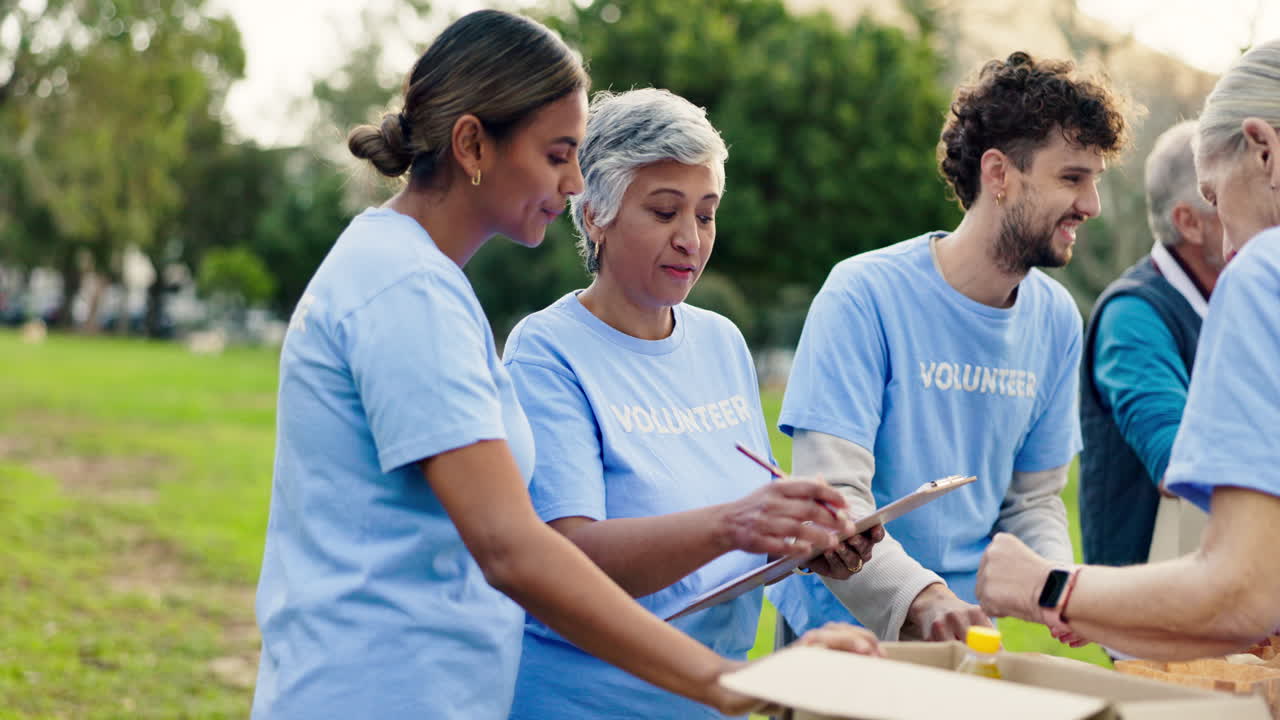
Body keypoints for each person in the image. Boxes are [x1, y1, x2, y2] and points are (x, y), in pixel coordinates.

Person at [249, 12, 877, 720]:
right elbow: (514, 549)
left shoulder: (415, 276)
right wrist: (728, 681)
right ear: (472, 144)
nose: (576, 182)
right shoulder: (407, 290)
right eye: (557, 155)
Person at [503, 88, 883, 720]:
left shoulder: (720, 342)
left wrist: (806, 542)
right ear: (595, 215)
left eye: (706, 216)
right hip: (590, 703)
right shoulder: (546, 353)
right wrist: (734, 523)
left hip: (717, 697)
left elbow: (746, 526)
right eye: (664, 212)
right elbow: (569, 560)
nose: (690, 239)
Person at [767, 51, 1131, 643]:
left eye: (1095, 180)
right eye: (1072, 178)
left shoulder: (1058, 319)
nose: (1091, 205)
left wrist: (1056, 586)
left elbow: (1032, 501)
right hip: (840, 635)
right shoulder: (863, 293)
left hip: (963, 635)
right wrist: (925, 599)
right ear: (999, 174)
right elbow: (832, 496)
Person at [977, 38, 1280, 660]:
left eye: (1219, 196)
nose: (1232, 249)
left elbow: (1242, 591)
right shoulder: (1134, 313)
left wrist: (1045, 586)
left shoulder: (1262, 276)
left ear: (1264, 149)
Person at [1079, 120, 1223, 574]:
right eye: (1232, 197)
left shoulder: (1237, 301)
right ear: (1188, 222)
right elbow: (1179, 464)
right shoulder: (1132, 316)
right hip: (1146, 602)